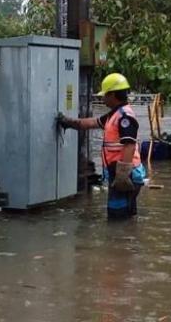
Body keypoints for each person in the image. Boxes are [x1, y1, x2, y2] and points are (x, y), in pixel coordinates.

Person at [57, 73, 147, 219]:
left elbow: (129, 145)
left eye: (105, 95)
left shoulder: (125, 117)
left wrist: (122, 175)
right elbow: (91, 123)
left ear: (112, 95)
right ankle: (127, 238)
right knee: (124, 216)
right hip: (119, 174)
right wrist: (68, 122)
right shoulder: (114, 114)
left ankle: (119, 240)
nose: (103, 98)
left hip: (125, 175)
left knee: (117, 217)